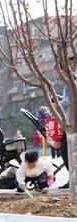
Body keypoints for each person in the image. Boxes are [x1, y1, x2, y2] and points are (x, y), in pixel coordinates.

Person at [57, 54, 75, 189]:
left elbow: (71, 99)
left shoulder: (73, 78)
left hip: (73, 122)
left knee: (66, 150)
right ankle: (73, 179)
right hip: (70, 120)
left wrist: (58, 103)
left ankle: (73, 180)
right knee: (67, 150)